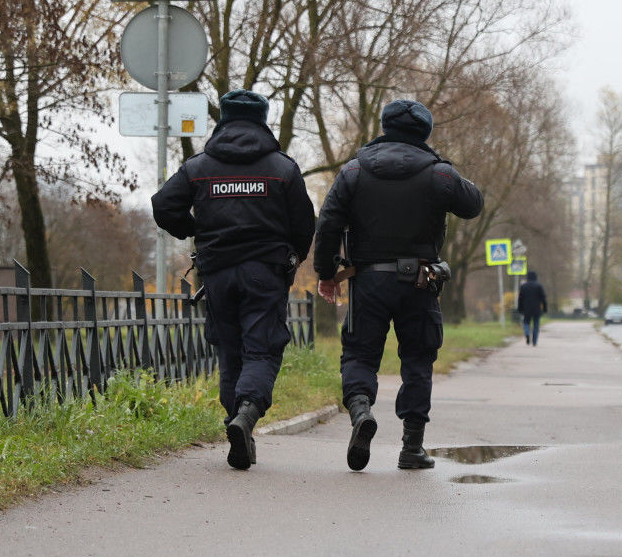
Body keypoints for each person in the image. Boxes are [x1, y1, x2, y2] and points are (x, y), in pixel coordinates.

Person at [314, 99, 483, 471]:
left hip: (368, 280)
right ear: (424, 132)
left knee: (359, 355)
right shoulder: (438, 174)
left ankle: (361, 413)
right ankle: (412, 447)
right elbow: (473, 205)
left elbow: (328, 223)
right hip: (420, 281)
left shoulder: (354, 171)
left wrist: (326, 273)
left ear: (385, 127)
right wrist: (444, 166)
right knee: (418, 360)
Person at [151, 89, 315, 471]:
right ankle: (247, 412)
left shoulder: (199, 166)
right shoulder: (282, 169)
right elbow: (305, 223)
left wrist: (196, 230)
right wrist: (292, 259)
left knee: (229, 350)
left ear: (223, 118)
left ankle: (236, 423)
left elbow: (163, 205)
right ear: (263, 119)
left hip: (218, 272)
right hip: (265, 274)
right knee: (262, 349)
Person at [515, 270, 548, 346]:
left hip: (526, 309)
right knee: (536, 325)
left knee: (526, 323)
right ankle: (534, 342)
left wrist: (520, 309)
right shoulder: (539, 286)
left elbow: (520, 299)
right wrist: (545, 309)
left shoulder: (523, 286)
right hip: (536, 309)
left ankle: (527, 333)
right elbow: (543, 299)